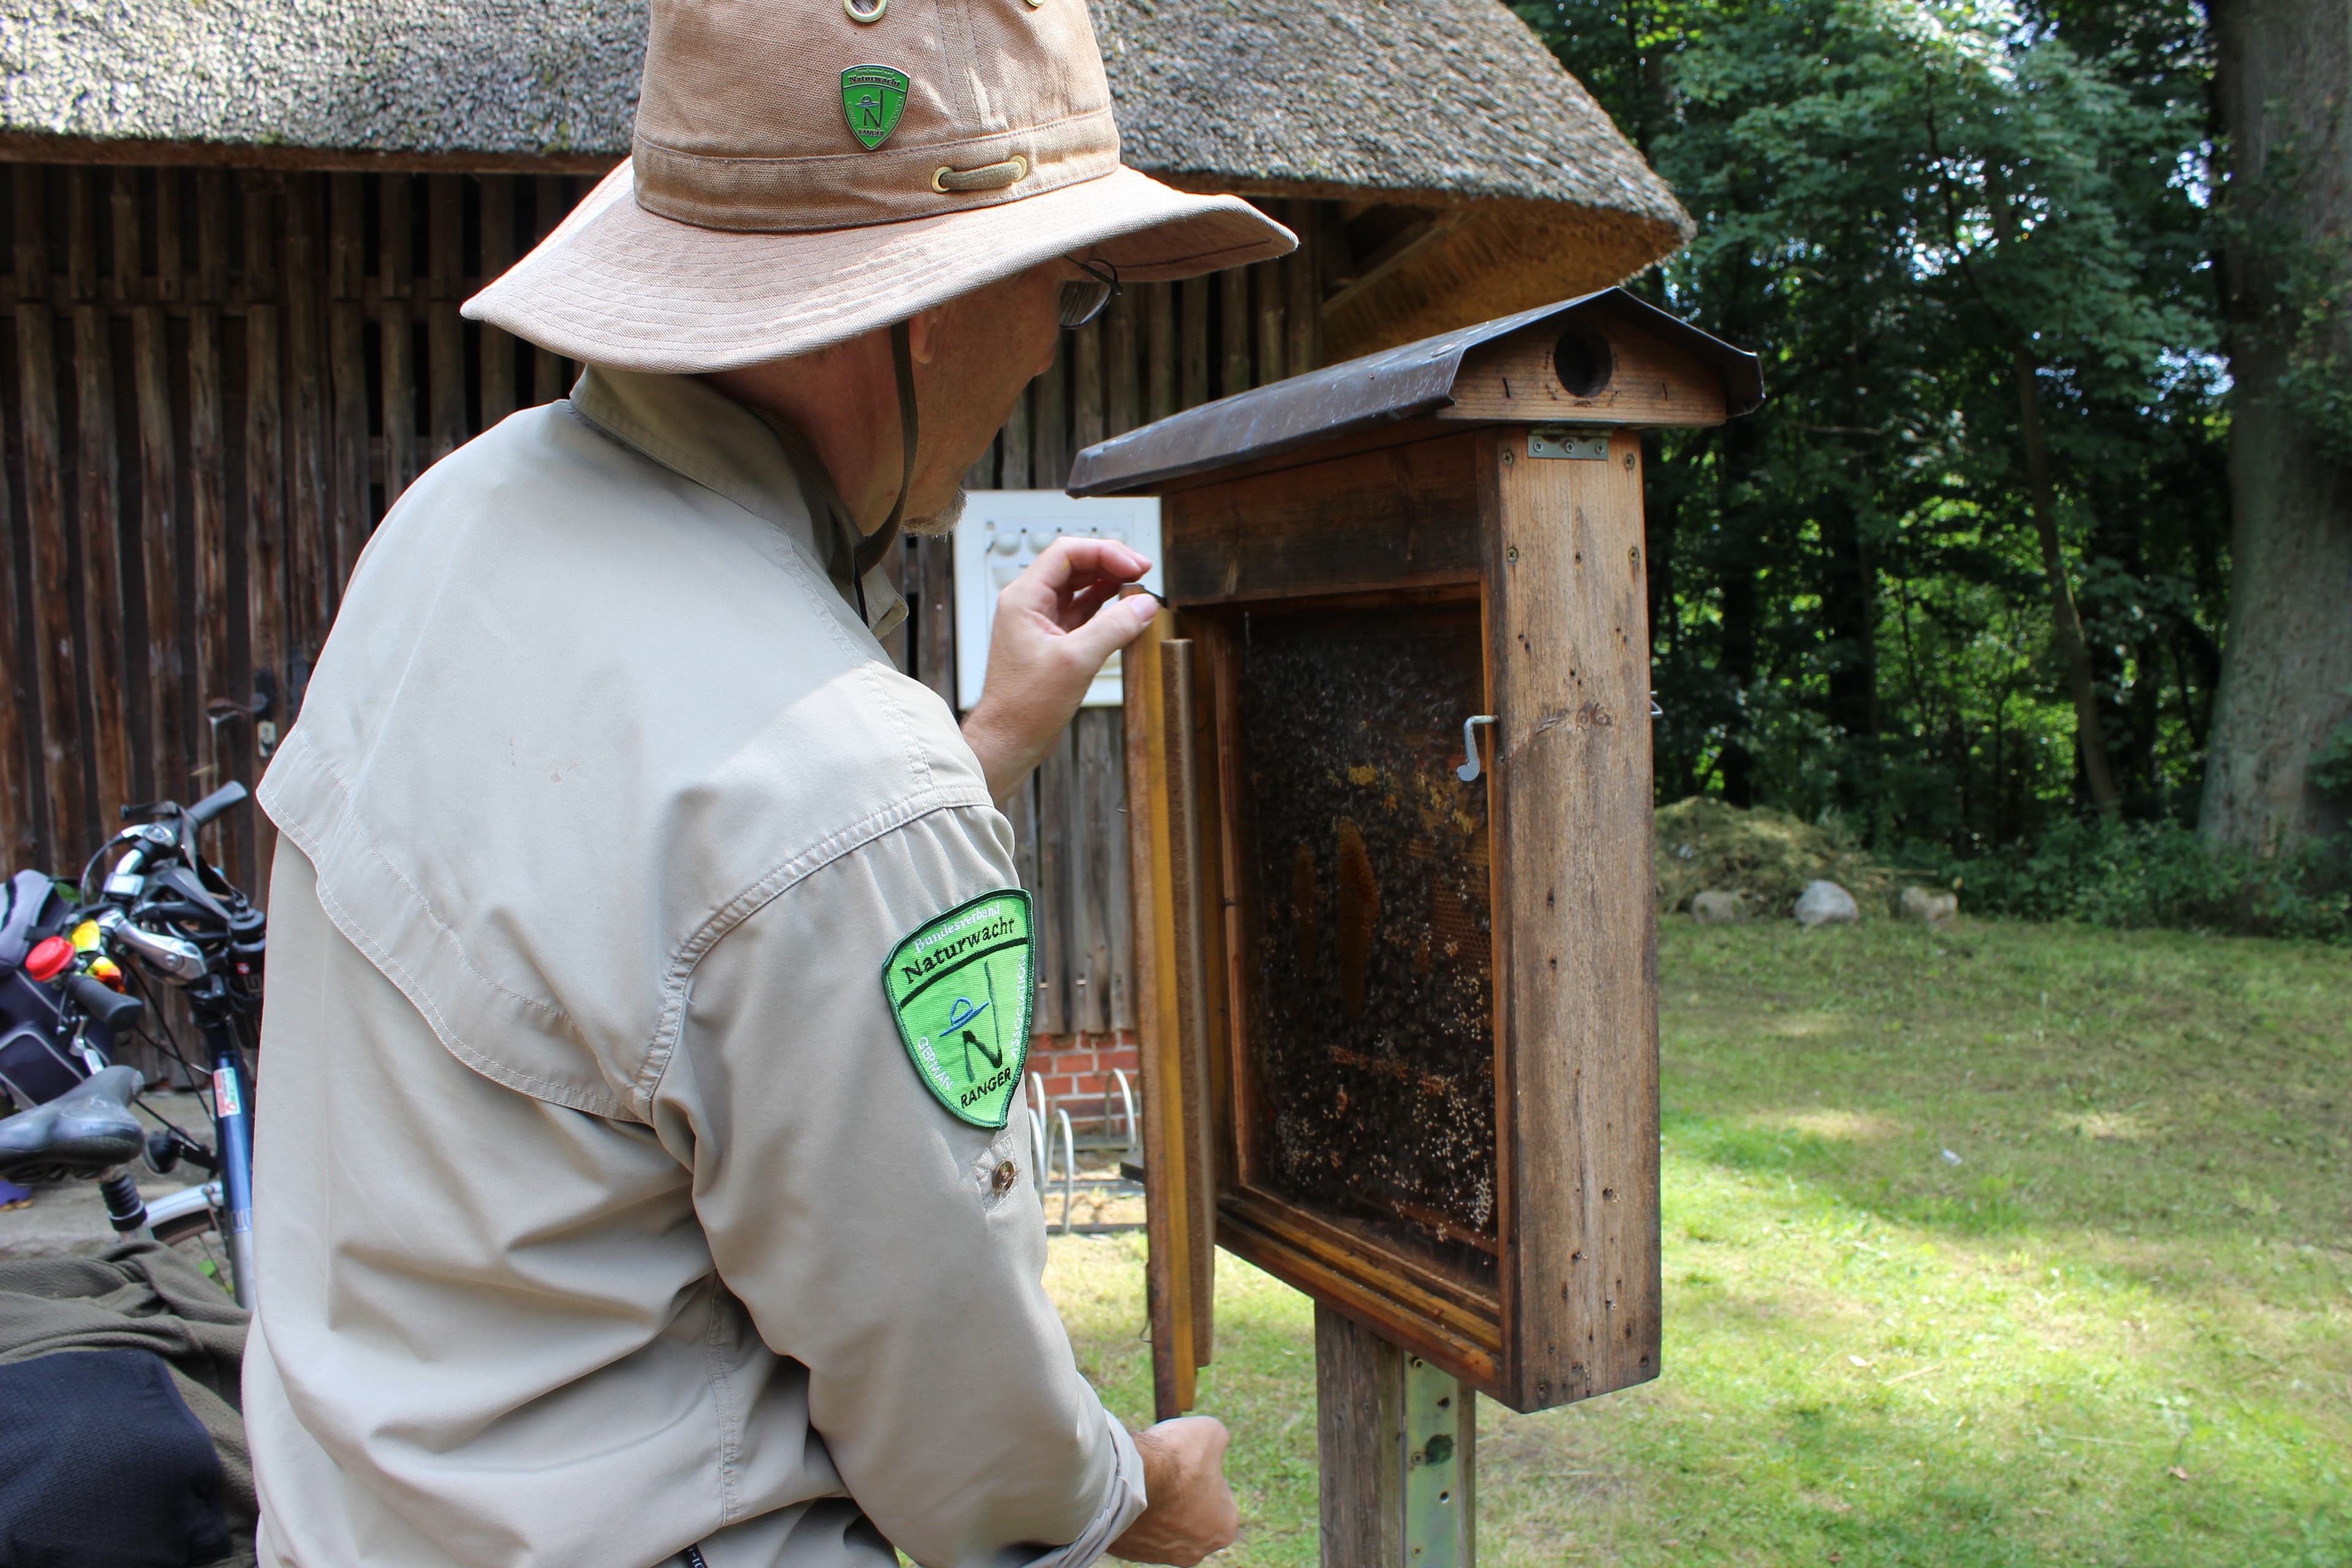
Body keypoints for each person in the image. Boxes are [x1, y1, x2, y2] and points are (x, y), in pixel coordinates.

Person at [239, 1, 1294, 1564]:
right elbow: (963, 1431)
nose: (1052, 342)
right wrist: (1135, 1491)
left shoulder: (457, 522)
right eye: (1069, 293)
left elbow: (654, 937)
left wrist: (973, 743)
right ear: (937, 306)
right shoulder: (835, 795)